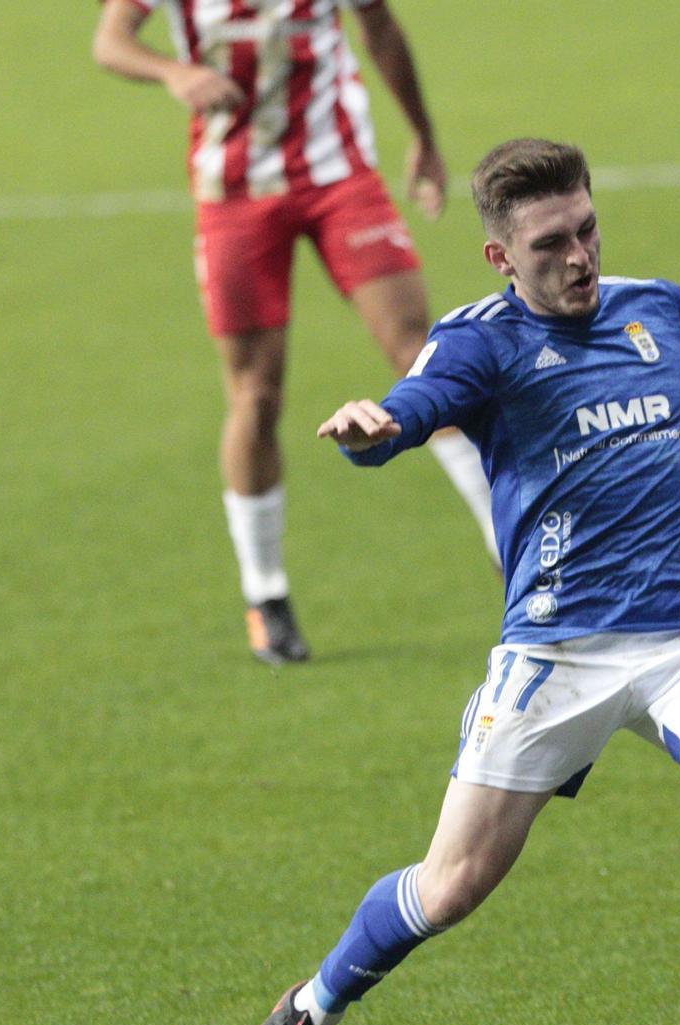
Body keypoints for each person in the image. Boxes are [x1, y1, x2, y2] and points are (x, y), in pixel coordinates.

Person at [222, 138, 680, 1025]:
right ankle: (310, 1008)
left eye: (585, 230)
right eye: (548, 245)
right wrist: (376, 430)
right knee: (448, 885)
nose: (577, 257)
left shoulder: (656, 307)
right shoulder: (478, 340)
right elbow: (415, 406)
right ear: (501, 257)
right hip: (553, 652)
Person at [92, 0, 498, 665]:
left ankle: (503, 535)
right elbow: (109, 41)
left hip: (340, 178)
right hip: (235, 192)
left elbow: (381, 29)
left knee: (419, 353)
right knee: (255, 394)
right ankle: (266, 596)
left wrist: (421, 133)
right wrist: (172, 72)